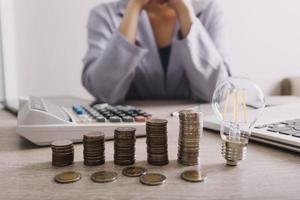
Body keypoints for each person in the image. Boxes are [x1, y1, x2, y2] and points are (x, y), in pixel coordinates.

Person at [82, 0, 231, 104]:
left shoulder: (209, 10)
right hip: (129, 131)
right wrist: (134, 7)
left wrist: (183, 9)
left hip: (194, 131)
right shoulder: (104, 15)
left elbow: (217, 91)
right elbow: (102, 91)